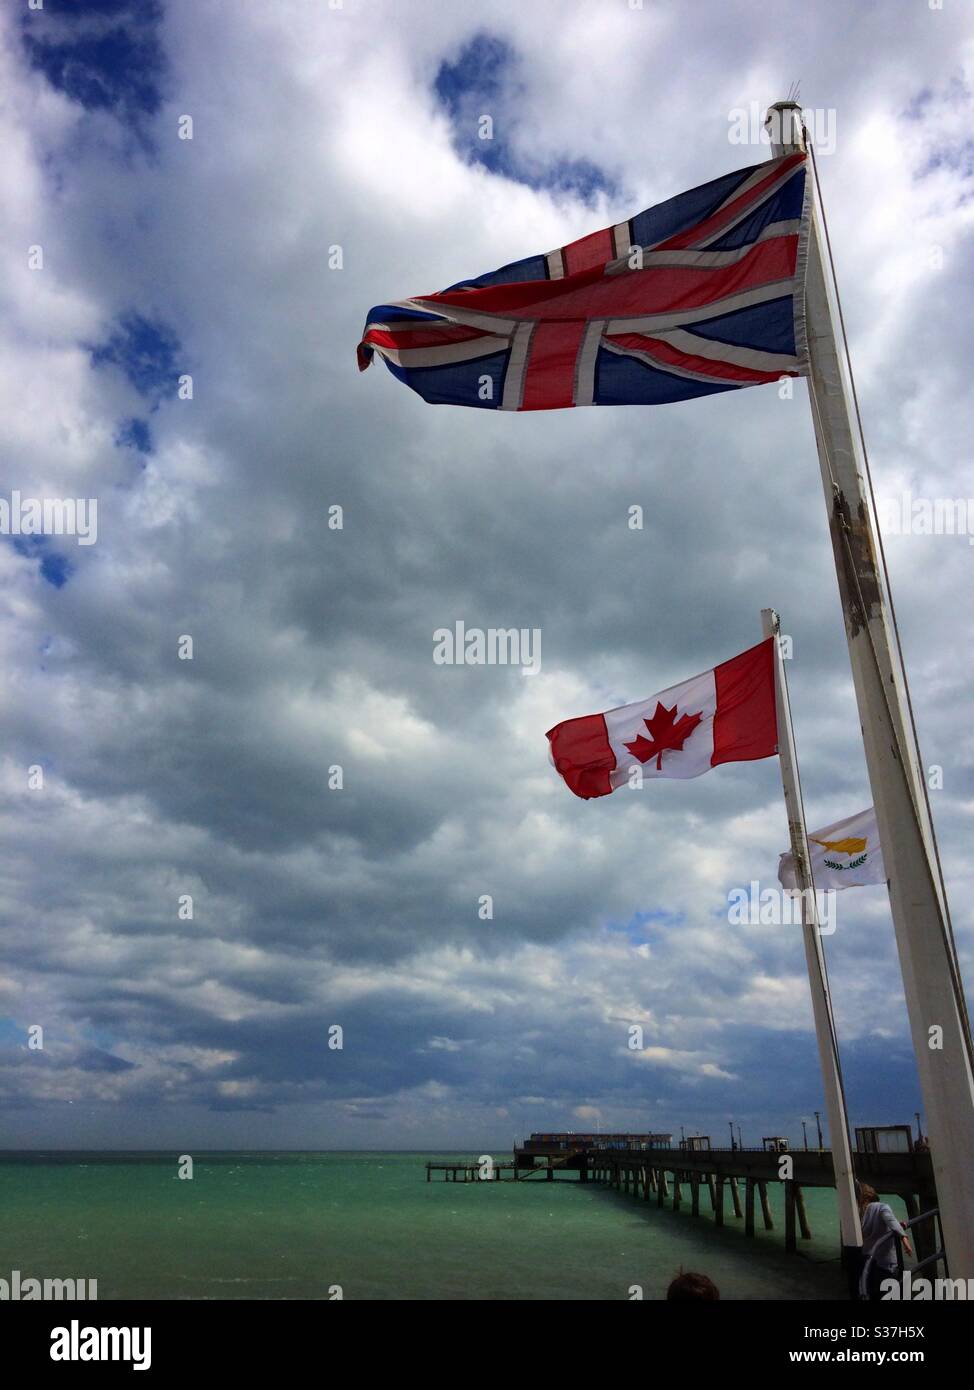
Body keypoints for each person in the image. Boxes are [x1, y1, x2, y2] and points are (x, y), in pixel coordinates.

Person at [856, 1182, 913, 1300]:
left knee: (870, 1291)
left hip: (869, 1261)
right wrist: (904, 1239)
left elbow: (891, 1222)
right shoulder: (880, 1207)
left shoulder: (863, 1213)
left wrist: (902, 1235)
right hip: (884, 1263)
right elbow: (892, 1221)